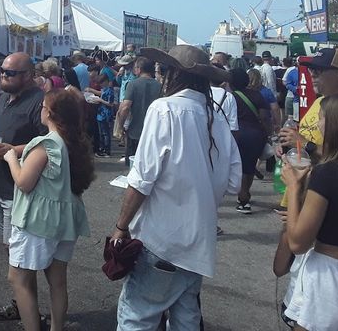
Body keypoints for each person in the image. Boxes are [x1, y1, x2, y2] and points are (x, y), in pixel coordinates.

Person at [110, 46, 241, 330]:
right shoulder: (216, 117)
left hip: (161, 240)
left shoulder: (165, 108)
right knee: (186, 320)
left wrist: (121, 226)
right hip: (198, 243)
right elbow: (233, 182)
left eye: (162, 72)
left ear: (173, 74)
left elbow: (142, 179)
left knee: (137, 318)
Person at [281, 92, 338, 329]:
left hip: (329, 283)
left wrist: (293, 188)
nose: (318, 123)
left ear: (336, 125)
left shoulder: (328, 173)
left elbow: (298, 242)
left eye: (321, 118)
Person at [4, 89, 93, 331]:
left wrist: (11, 157)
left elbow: (23, 182)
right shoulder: (72, 142)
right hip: (65, 220)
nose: (41, 109)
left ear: (51, 114)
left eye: (43, 106)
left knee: (19, 278)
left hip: (38, 221)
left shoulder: (46, 144)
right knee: (57, 282)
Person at [0, 52, 47, 322]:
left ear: (28, 76)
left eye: (10, 73)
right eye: (2, 71)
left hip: (18, 191)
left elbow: (48, 142)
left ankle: (30, 316)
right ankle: (23, 307)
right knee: (10, 250)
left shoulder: (39, 102)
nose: (3, 76)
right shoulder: (1, 99)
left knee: (19, 258)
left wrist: (12, 150)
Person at [228, 68, 271, 214]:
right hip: (255, 135)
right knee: (249, 166)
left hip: (235, 135)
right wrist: (268, 134)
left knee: (237, 166)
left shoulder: (230, 97)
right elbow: (265, 117)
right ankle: (245, 196)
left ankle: (242, 197)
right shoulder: (257, 95)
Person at [115, 57, 162, 167]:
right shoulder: (159, 86)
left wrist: (120, 126)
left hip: (135, 132)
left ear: (139, 69)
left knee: (133, 167)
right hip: (153, 132)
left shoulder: (133, 84)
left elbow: (125, 107)